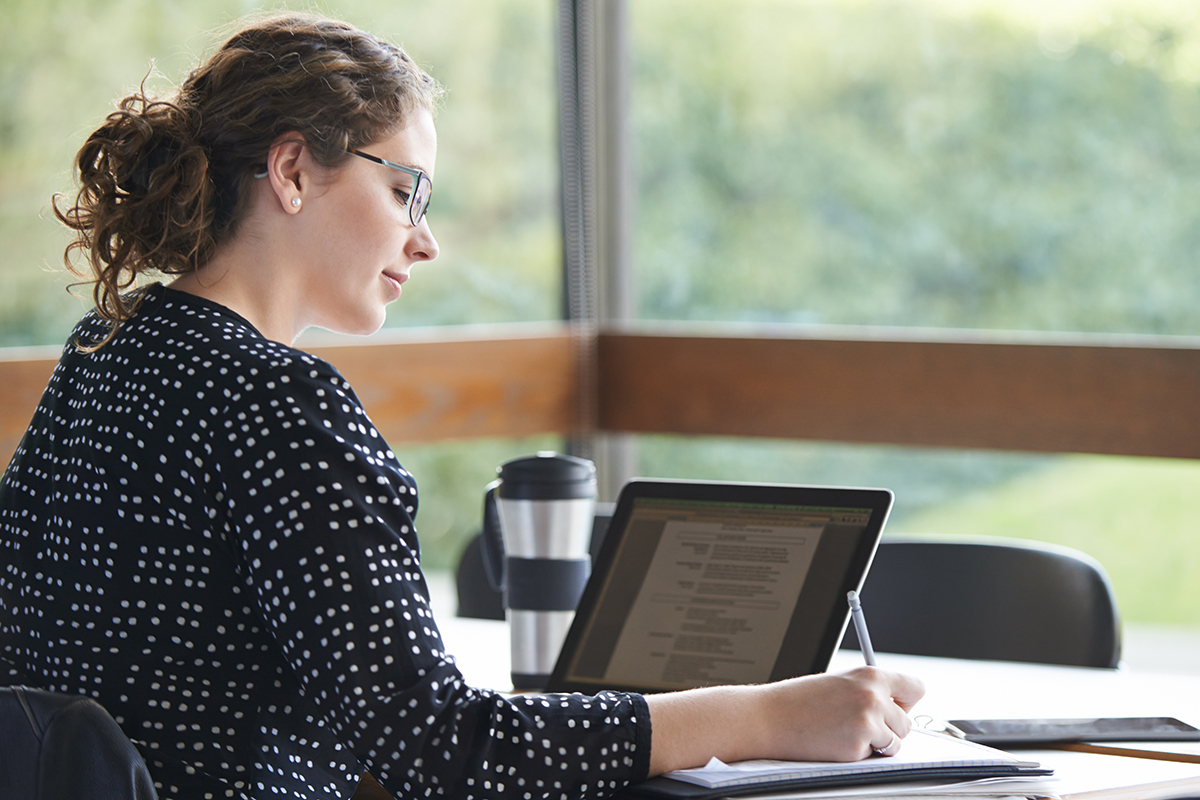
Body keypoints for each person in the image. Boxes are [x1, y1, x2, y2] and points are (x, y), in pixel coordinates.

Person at [0, 12, 924, 800]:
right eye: (406, 190)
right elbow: (438, 748)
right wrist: (762, 714)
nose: (426, 240)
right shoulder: (277, 402)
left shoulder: (105, 357)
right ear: (290, 172)